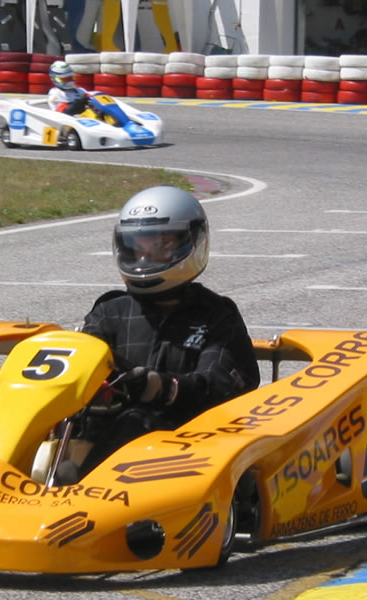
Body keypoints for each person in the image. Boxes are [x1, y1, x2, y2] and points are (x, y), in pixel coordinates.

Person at [60, 186, 261, 482]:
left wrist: (163, 387)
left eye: (160, 247)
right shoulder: (110, 312)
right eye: (138, 247)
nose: (146, 258)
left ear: (192, 242)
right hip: (105, 429)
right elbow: (80, 362)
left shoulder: (216, 314)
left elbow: (222, 385)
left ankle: (72, 487)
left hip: (183, 443)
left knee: (133, 422)